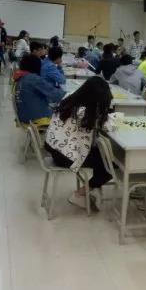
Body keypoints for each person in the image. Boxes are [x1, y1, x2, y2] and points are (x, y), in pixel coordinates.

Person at [45, 76, 114, 209]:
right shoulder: (85, 112)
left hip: (55, 149)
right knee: (109, 165)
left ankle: (89, 190)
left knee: (102, 157)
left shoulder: (70, 98)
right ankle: (80, 194)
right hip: (66, 156)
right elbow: (106, 126)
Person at [13, 54, 64, 126]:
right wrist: (71, 94)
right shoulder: (33, 78)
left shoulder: (20, 77)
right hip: (37, 118)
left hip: (24, 115)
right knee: (65, 114)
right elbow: (57, 95)